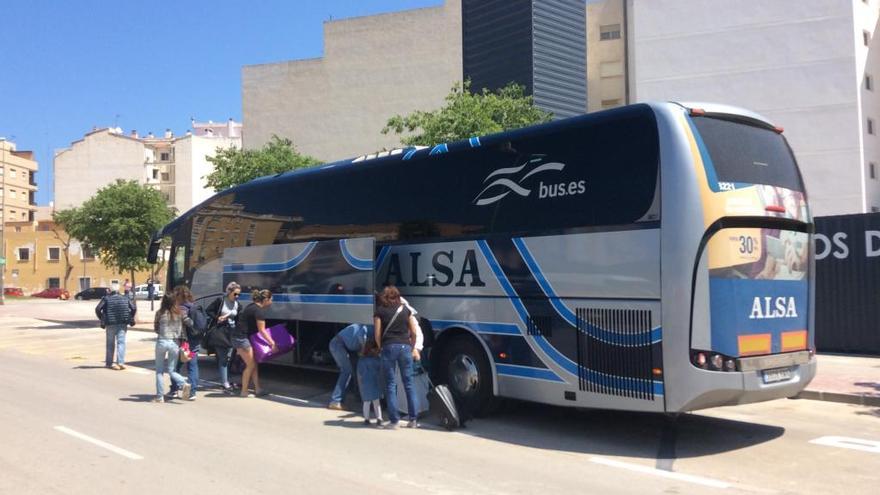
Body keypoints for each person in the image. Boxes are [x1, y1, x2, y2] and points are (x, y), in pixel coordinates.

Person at [374, 285, 419, 429]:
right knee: (409, 384)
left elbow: (377, 333)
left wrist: (381, 346)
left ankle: (394, 421)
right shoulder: (406, 310)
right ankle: (413, 420)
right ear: (398, 296)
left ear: (384, 297)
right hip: (405, 347)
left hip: (389, 347)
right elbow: (414, 331)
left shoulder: (379, 311)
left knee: (391, 385)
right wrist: (411, 347)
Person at [236, 289, 276, 398]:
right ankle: (244, 391)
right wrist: (272, 343)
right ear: (266, 300)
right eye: (271, 299)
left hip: (241, 337)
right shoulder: (259, 311)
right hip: (241, 339)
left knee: (254, 364)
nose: (272, 302)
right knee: (251, 365)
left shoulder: (251, 306)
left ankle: (258, 389)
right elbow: (262, 330)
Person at [153, 293, 191, 403]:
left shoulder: (159, 313)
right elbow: (190, 323)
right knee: (171, 370)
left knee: (159, 371)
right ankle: (184, 383)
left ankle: (160, 397)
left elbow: (156, 328)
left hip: (161, 341)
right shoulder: (180, 313)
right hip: (174, 343)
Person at [206, 282, 241, 394]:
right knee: (223, 358)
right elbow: (208, 310)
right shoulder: (220, 301)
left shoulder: (237, 304)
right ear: (229, 292)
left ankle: (227, 380)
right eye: (235, 294)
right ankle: (225, 382)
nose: (237, 297)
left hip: (231, 332)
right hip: (220, 331)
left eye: (238, 294)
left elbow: (238, 318)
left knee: (229, 358)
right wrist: (218, 318)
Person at [327, 323, 371, 410]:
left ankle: (359, 396)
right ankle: (335, 401)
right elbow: (362, 332)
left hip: (348, 347)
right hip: (339, 344)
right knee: (347, 371)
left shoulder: (369, 327)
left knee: (356, 370)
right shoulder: (371, 328)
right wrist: (363, 348)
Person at [95, 283, 136, 370]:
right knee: (121, 343)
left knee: (110, 344)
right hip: (122, 323)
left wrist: (102, 318)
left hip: (110, 323)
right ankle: (120, 362)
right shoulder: (125, 297)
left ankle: (109, 363)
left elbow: (98, 309)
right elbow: (133, 308)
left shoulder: (106, 298)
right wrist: (130, 316)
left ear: (110, 290)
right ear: (119, 290)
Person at [169, 286, 199, 400]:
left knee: (176, 366)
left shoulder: (178, 309)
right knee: (192, 366)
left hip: (182, 342)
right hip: (195, 341)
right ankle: (192, 393)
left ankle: (174, 390)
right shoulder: (195, 306)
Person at [357, 337, 383, 426]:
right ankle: (379, 418)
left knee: (366, 402)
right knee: (376, 402)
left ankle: (366, 419)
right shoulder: (377, 360)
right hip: (375, 382)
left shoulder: (361, 360)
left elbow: (360, 372)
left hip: (365, 382)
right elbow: (380, 369)